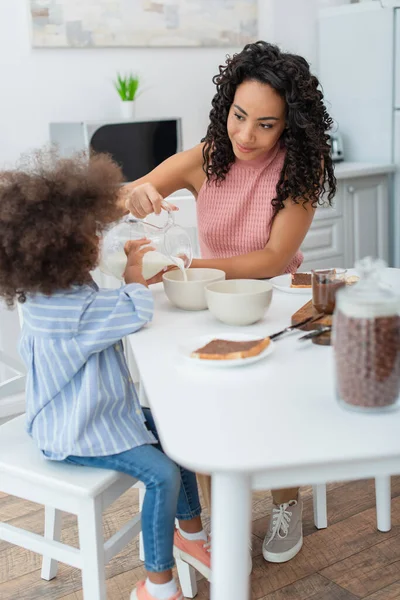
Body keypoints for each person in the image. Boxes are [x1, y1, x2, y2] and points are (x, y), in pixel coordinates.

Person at [122, 40, 337, 564]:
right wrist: (135, 194)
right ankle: (221, 518)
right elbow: (128, 191)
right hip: (210, 303)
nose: (246, 135)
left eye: (266, 124)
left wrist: (188, 267)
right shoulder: (209, 155)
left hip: (272, 303)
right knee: (205, 413)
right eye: (240, 116)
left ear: (289, 125)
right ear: (226, 107)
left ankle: (286, 503)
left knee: (274, 410)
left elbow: (272, 257)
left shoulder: (298, 168)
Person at [0, 151, 210, 600]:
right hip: (76, 429)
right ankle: (158, 582)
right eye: (92, 236)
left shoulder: (51, 290)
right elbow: (134, 308)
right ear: (66, 251)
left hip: (96, 410)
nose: (99, 240)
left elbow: (107, 301)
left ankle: (191, 535)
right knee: (161, 474)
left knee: (180, 433)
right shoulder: (73, 311)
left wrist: (127, 249)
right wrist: (135, 273)